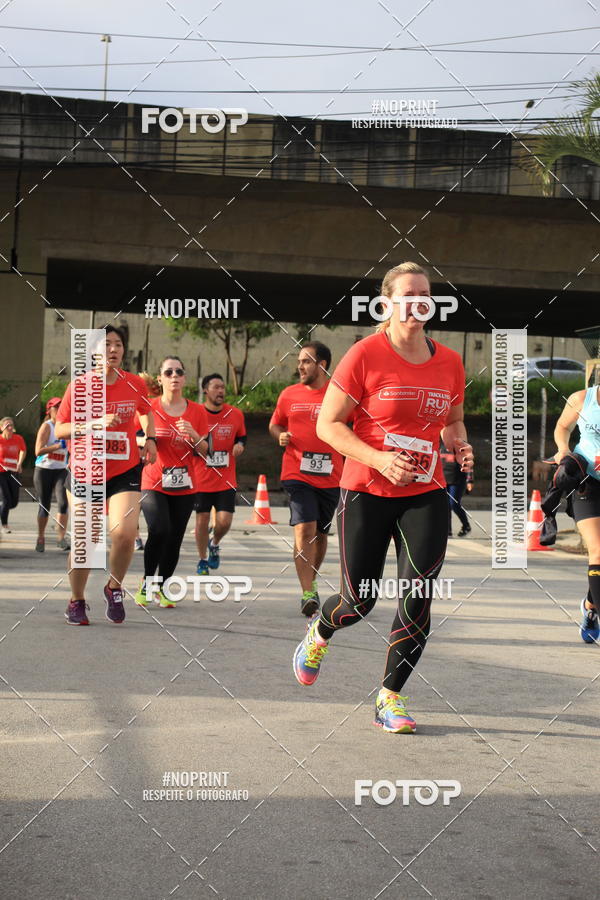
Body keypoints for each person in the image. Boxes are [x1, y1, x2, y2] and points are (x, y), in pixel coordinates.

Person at [293, 262, 474, 734]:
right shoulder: (364, 354)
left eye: (425, 295)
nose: (417, 303)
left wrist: (459, 443)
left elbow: (452, 421)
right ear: (388, 304)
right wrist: (378, 459)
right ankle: (321, 631)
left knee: (418, 595)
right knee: (359, 600)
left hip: (426, 491)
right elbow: (327, 425)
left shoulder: (451, 361)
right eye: (407, 295)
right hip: (367, 489)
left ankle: (390, 696)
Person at [55, 326, 157, 625]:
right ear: (95, 352)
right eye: (107, 344)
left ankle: (113, 588)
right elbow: (61, 429)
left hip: (123, 469)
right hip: (86, 471)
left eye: (118, 344)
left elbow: (145, 410)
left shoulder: (134, 383)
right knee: (87, 542)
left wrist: (150, 438)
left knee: (124, 535)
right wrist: (92, 424)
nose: (114, 349)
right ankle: (76, 600)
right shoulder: (79, 387)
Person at [269, 343, 343, 616]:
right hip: (296, 473)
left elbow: (355, 426)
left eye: (307, 361)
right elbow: (275, 423)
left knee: (321, 534)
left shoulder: (339, 395)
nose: (300, 366)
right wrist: (279, 435)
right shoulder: (289, 394)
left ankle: (310, 580)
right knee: (305, 529)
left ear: (323, 364)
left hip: (331, 476)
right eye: (299, 361)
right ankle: (307, 593)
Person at [137, 356, 208, 608]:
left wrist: (195, 435)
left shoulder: (197, 411)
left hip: (185, 484)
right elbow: (136, 438)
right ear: (160, 378)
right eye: (168, 372)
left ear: (185, 378)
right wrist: (146, 442)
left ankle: (164, 587)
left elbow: (205, 450)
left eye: (179, 371)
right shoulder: (149, 407)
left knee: (175, 536)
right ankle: (146, 583)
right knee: (159, 529)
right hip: (154, 480)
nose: (174, 376)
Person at [553, 383, 600, 643]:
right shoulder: (583, 398)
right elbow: (562, 427)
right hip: (587, 482)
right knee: (598, 551)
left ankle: (590, 608)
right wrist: (563, 449)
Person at [194, 373, 246, 575]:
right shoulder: (196, 413)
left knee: (224, 521)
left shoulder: (235, 414)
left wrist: (240, 445)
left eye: (223, 388)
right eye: (216, 387)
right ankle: (202, 559)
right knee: (201, 520)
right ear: (206, 390)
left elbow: (242, 436)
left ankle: (214, 543)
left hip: (226, 479)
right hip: (201, 479)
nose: (221, 391)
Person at [33, 397, 70, 552]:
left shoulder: (67, 426)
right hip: (44, 469)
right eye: (56, 408)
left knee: (63, 503)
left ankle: (61, 538)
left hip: (61, 469)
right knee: (45, 505)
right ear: (50, 411)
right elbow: (38, 451)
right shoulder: (47, 426)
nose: (60, 410)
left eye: (62, 407)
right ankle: (41, 536)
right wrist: (56, 446)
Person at [134, 372, 162, 551]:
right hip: (137, 460)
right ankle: (135, 536)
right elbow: (131, 433)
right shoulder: (136, 408)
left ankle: (158, 533)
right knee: (135, 501)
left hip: (159, 463)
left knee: (153, 504)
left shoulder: (159, 404)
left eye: (142, 386)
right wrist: (144, 441)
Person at [441, 439, 473, 537]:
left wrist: (470, 480)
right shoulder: (439, 446)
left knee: (453, 504)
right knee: (445, 506)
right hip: (443, 480)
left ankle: (466, 526)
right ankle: (448, 530)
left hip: (457, 480)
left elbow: (468, 464)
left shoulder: (460, 447)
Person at [0, 416, 26, 534]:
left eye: (11, 425)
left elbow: (23, 450)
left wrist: (19, 463)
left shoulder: (18, 438)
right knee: (6, 500)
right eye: (7, 425)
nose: (10, 427)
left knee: (13, 502)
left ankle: (2, 510)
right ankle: (4, 525)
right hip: (1, 473)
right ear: (2, 428)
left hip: (14, 472)